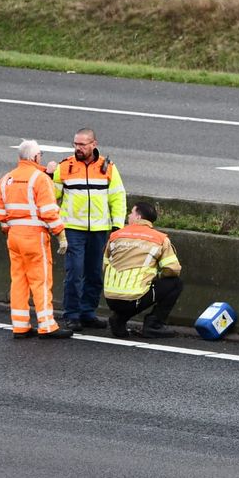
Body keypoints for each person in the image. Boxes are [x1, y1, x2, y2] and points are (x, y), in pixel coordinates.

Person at [46, 128, 126, 332]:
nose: (78, 148)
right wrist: (48, 174)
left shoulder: (108, 168)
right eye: (75, 144)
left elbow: (117, 197)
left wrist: (117, 226)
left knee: (94, 274)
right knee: (75, 272)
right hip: (73, 228)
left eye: (82, 144)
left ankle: (88, 313)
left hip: (99, 229)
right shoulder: (65, 167)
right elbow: (50, 194)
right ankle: (72, 315)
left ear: (94, 144)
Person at [0, 140, 72, 340]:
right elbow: (48, 211)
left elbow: (1, 211)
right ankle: (47, 326)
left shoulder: (6, 179)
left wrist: (8, 229)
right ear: (35, 157)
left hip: (14, 236)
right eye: (41, 155)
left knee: (19, 281)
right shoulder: (39, 179)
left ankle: (20, 326)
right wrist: (60, 235)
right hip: (34, 236)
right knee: (41, 280)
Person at [103, 201, 182, 339]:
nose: (128, 215)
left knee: (133, 292)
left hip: (110, 297)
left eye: (131, 212)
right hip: (133, 299)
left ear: (138, 217)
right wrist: (156, 276)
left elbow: (104, 266)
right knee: (176, 283)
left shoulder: (116, 236)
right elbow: (173, 269)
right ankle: (153, 325)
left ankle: (119, 319)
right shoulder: (159, 239)